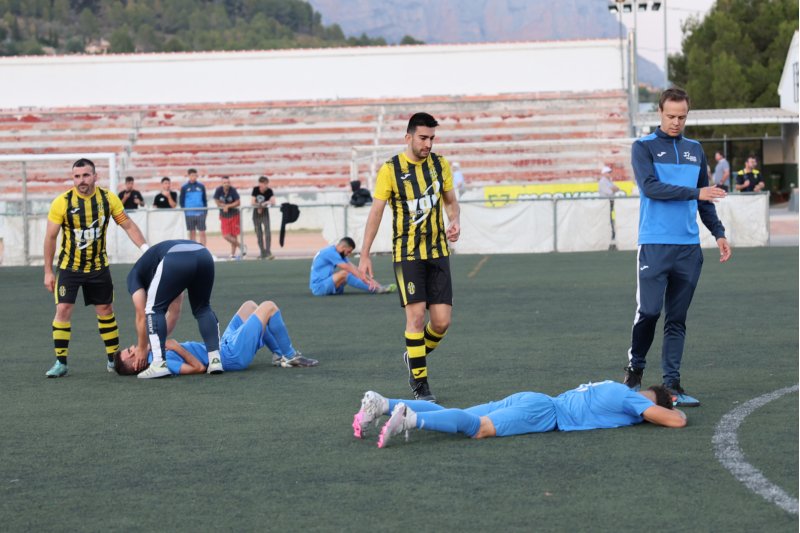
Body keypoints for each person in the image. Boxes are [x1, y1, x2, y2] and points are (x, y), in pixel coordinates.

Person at [622, 87, 731, 407]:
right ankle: (634, 371)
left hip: (688, 249)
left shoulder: (695, 150)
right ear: (659, 113)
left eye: (682, 117)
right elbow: (651, 188)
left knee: (676, 319)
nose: (676, 122)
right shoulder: (642, 147)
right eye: (670, 116)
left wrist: (719, 233)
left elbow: (705, 200)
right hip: (654, 246)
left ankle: (672, 385)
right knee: (650, 311)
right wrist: (696, 193)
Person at [359, 112, 461, 402]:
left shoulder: (440, 165)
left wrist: (455, 221)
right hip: (407, 254)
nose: (428, 143)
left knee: (441, 322)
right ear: (408, 137)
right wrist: (364, 254)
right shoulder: (390, 170)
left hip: (438, 252)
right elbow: (376, 212)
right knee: (415, 318)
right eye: (423, 138)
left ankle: (413, 357)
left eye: (431, 138)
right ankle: (421, 385)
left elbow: (451, 202)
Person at [43, 158, 148, 378]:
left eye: (85, 175)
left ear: (95, 176)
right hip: (69, 267)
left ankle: (112, 359)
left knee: (106, 311)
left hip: (98, 267)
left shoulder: (108, 199)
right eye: (77, 176)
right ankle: (60, 362)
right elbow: (51, 237)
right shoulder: (62, 202)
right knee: (62, 309)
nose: (81, 180)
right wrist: (48, 271)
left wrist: (146, 249)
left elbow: (127, 224)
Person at [352, 380, 687, 448]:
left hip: (534, 397)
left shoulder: (614, 385)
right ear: (651, 401)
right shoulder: (635, 401)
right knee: (478, 428)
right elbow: (674, 420)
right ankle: (410, 418)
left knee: (459, 413)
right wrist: (672, 411)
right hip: (544, 413)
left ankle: (383, 404)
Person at [113, 299, 317, 375]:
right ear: (136, 364)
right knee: (268, 306)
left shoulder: (154, 352)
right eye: (130, 352)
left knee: (249, 305)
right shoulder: (160, 363)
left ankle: (278, 355)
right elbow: (199, 368)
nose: (133, 347)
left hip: (221, 346)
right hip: (230, 356)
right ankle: (289, 355)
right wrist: (175, 347)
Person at [126, 239, 222, 379]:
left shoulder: (133, 277)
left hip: (176, 258)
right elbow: (174, 313)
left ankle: (159, 364)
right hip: (203, 254)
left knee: (153, 309)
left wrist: (142, 348)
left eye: (130, 350)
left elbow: (142, 315)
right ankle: (215, 360)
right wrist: (152, 346)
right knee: (203, 308)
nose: (132, 349)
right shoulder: (158, 272)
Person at [310, 237, 396, 296]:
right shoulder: (330, 252)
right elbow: (349, 269)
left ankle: (376, 288)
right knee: (345, 273)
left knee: (350, 273)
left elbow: (355, 269)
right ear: (343, 247)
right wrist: (368, 282)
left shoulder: (338, 253)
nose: (349, 254)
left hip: (327, 284)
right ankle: (374, 290)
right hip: (319, 288)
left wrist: (376, 283)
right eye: (348, 251)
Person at [213, 175, 244, 259]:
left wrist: (228, 206)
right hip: (224, 216)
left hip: (234, 215)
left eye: (228, 182)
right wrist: (223, 206)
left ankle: (233, 254)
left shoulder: (233, 190)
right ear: (222, 183)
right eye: (224, 183)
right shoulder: (218, 190)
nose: (226, 184)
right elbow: (216, 201)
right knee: (226, 235)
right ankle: (241, 246)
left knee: (234, 235)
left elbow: (238, 202)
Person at [179, 168, 207, 245]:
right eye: (192, 175)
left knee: (202, 232)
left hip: (200, 213)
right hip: (189, 214)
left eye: (195, 175)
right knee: (192, 232)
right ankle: (193, 249)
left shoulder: (201, 186)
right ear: (188, 176)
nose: (193, 177)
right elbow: (181, 201)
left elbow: (204, 200)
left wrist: (205, 212)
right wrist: (184, 211)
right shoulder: (184, 187)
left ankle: (204, 249)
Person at [251, 176, 275, 259]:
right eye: (260, 184)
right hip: (256, 214)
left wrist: (265, 204)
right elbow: (253, 202)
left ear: (266, 184)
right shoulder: (255, 189)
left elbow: (273, 202)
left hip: (265, 213)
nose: (261, 187)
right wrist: (259, 206)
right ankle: (262, 252)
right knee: (259, 234)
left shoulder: (269, 191)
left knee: (267, 232)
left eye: (264, 184)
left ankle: (268, 252)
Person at [599, 165, 621, 243]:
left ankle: (612, 235)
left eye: (609, 172)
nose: (609, 174)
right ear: (604, 173)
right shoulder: (602, 182)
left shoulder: (609, 181)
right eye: (608, 172)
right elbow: (610, 191)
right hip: (605, 204)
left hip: (610, 203)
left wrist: (613, 189)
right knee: (607, 220)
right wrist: (613, 189)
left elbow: (617, 189)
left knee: (611, 219)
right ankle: (608, 237)